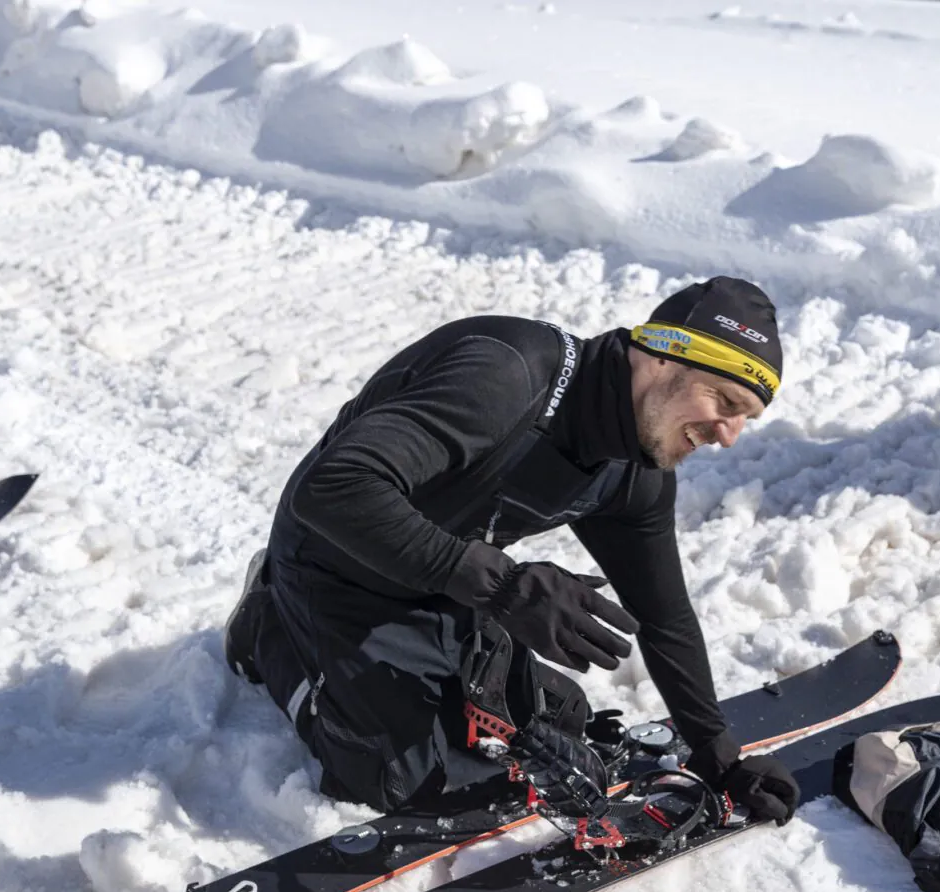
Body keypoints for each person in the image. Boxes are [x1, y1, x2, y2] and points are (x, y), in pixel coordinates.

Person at [223, 275, 800, 825]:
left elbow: (664, 615)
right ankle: (268, 625)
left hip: (436, 581)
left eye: (744, 418)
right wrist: (504, 587)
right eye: (723, 401)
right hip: (330, 561)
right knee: (402, 779)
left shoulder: (635, 470)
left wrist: (718, 755)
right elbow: (332, 488)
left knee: (558, 720)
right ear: (663, 357)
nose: (728, 436)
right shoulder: (508, 374)